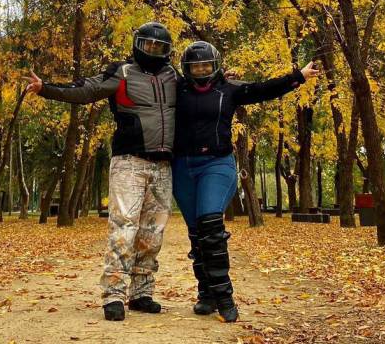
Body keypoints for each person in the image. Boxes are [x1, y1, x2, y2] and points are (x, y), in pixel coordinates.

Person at [24, 22, 177, 322]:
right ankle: (114, 295)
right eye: (148, 46)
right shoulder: (121, 73)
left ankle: (142, 293)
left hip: (163, 166)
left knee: (152, 234)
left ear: (168, 51)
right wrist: (46, 89)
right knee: (123, 229)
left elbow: (202, 93)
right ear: (137, 45)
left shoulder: (173, 77)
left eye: (160, 47)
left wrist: (221, 82)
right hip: (129, 163)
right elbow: (86, 90)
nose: (154, 51)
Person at [173, 40, 319, 322]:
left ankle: (225, 296)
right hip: (182, 168)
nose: (201, 70)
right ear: (186, 69)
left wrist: (297, 78)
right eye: (195, 66)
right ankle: (206, 294)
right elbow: (149, 85)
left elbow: (262, 90)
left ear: (215, 66)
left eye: (206, 65)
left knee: (210, 225)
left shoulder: (228, 90)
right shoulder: (176, 90)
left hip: (216, 164)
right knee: (195, 233)